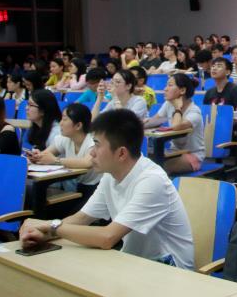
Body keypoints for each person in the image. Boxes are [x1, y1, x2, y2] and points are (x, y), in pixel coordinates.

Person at [19, 109, 195, 268]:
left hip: (170, 269)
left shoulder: (152, 181)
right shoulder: (110, 175)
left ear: (121, 153)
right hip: (137, 262)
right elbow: (81, 219)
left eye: (97, 145)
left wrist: (50, 225)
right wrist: (44, 233)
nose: (92, 152)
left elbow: (107, 237)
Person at [28, 103, 101, 199]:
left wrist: (55, 161)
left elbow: (87, 163)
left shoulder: (92, 140)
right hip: (73, 186)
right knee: (35, 191)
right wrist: (37, 156)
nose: (60, 123)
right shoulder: (64, 138)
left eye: (65, 119)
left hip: (93, 189)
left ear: (78, 125)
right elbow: (47, 153)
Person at [143, 74, 205, 174]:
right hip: (174, 152)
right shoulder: (168, 104)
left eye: (170, 85)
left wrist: (177, 108)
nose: (165, 89)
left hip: (192, 155)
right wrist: (138, 125)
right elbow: (154, 121)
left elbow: (175, 127)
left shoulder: (194, 112)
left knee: (159, 168)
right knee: (147, 164)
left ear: (182, 90)